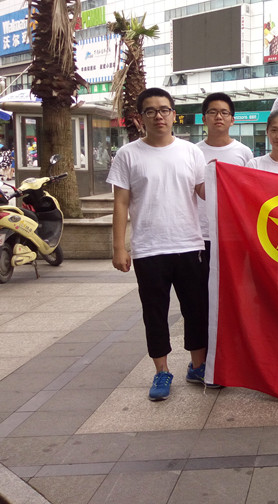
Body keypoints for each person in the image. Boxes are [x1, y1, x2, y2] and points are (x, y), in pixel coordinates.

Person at [108, 87, 215, 401]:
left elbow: (205, 192)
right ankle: (162, 371)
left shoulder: (191, 152)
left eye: (164, 110)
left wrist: (234, 182)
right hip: (149, 248)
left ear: (173, 114)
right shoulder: (128, 154)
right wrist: (119, 247)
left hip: (190, 245)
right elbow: (120, 203)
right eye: (151, 111)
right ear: (140, 117)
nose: (159, 116)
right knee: (155, 313)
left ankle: (198, 366)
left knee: (196, 310)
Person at [195, 92, 253, 250]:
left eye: (224, 112)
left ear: (232, 120)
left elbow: (248, 191)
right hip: (201, 233)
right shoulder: (193, 152)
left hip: (233, 231)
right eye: (212, 112)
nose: (218, 117)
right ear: (204, 119)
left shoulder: (244, 152)